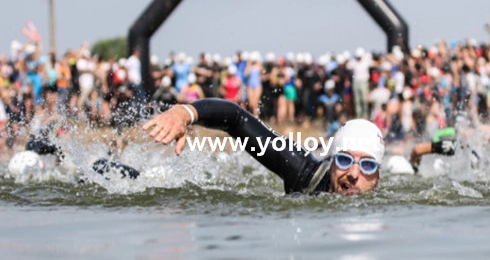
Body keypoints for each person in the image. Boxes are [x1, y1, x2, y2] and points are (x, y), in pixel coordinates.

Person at [143, 98, 385, 195]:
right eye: (344, 160)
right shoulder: (303, 172)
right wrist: (185, 112)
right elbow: (237, 119)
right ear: (331, 162)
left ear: (377, 178)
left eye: (367, 165)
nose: (353, 174)